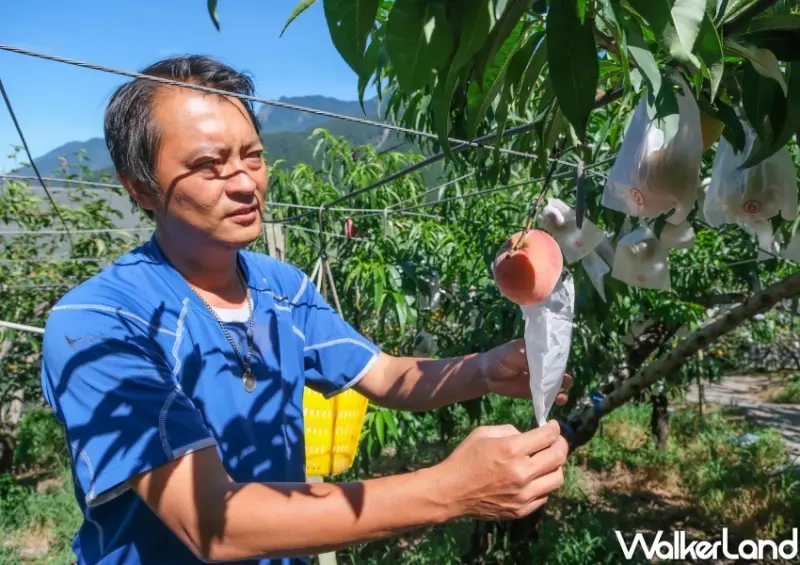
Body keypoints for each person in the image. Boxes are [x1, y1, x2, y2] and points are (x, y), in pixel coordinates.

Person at [40, 55, 573, 565]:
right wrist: (448, 490)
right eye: (208, 165)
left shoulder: (281, 288)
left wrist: (483, 369)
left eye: (253, 155)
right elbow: (208, 521)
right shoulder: (98, 323)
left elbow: (384, 375)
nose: (245, 182)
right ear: (141, 188)